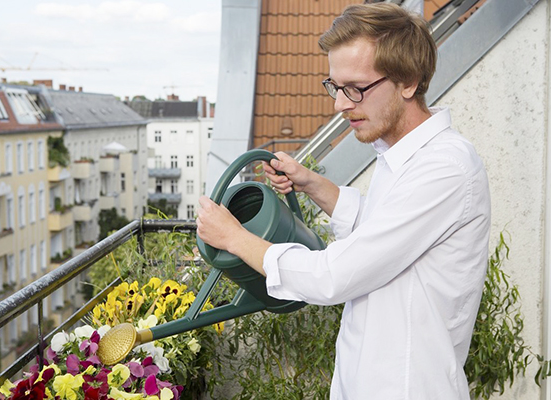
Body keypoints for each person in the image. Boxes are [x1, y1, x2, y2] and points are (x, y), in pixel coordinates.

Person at [196, 3, 490, 399]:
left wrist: (234, 238)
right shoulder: (401, 155)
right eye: (335, 87)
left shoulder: (445, 169)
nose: (340, 105)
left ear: (408, 81)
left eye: (356, 88)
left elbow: (332, 276)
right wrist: (313, 184)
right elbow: (382, 231)